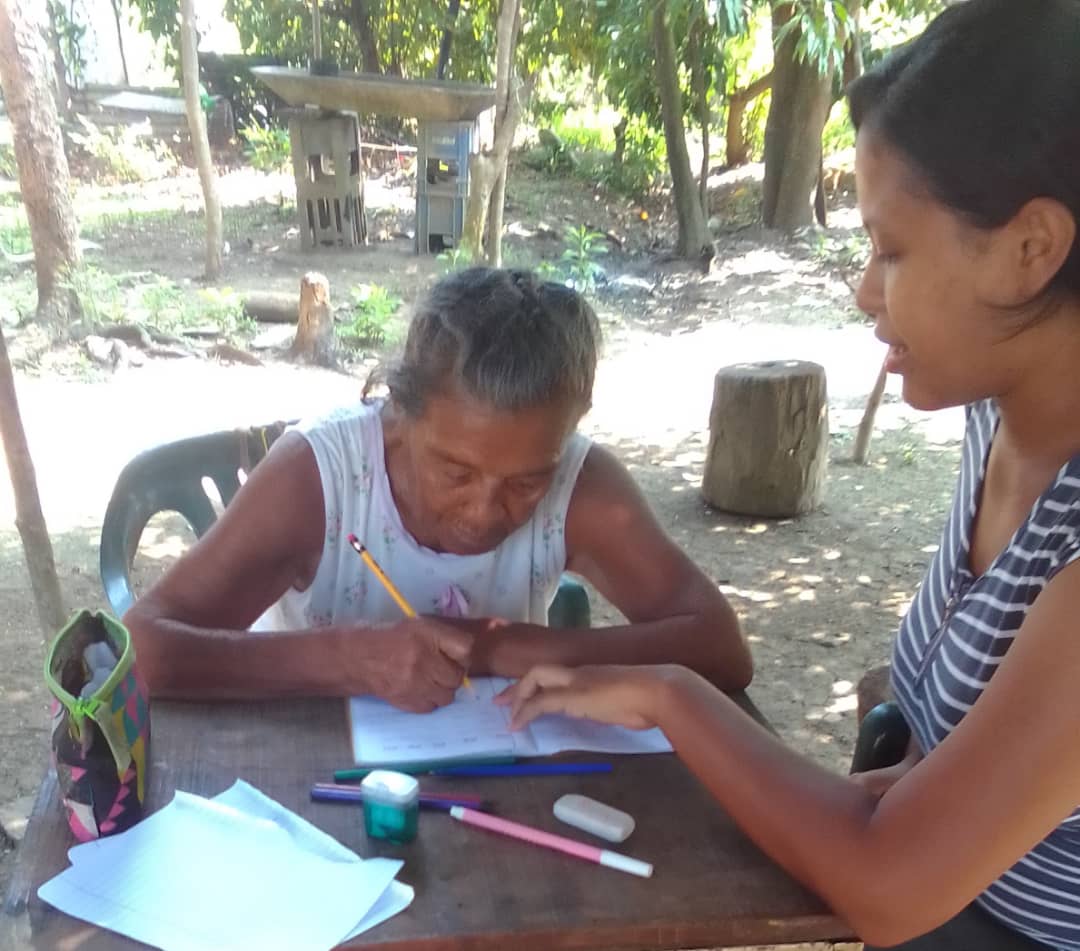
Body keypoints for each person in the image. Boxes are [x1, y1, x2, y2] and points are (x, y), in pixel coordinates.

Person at [498, 2, 1080, 949]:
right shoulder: (1000, 415)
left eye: (891, 249)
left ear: (1030, 250)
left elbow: (890, 884)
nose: (863, 288)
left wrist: (668, 691)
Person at [125, 267, 751, 711]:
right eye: (455, 472)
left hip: (499, 783)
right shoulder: (321, 478)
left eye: (528, 481)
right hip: (310, 785)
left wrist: (515, 649)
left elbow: (720, 648)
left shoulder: (582, 486)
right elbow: (141, 651)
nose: (484, 512)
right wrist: (351, 661)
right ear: (399, 411)